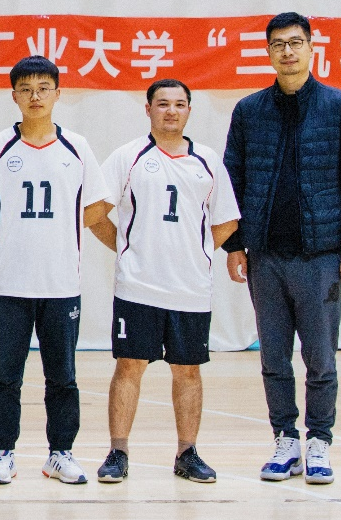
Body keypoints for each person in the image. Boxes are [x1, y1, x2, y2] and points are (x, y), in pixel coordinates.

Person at [223, 12, 341, 485]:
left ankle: (319, 441)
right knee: (273, 357)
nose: (287, 51)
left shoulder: (339, 106)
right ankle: (285, 439)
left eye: (295, 42)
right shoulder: (249, 111)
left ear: (311, 47)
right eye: (278, 44)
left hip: (320, 255)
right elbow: (231, 182)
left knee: (320, 357)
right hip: (265, 255)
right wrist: (234, 244)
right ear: (268, 52)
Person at [0, 55, 111, 485]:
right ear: (13, 95)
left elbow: (98, 206)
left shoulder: (77, 147)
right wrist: (18, 230)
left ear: (57, 94)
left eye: (43, 88)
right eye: (26, 89)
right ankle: (3, 453)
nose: (35, 96)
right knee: (4, 377)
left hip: (61, 282)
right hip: (9, 283)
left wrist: (59, 228)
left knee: (62, 377)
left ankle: (60, 454)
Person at [90, 79, 240, 484]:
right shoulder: (128, 156)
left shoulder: (207, 160)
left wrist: (195, 252)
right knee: (129, 366)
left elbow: (227, 220)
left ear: (189, 110)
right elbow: (94, 213)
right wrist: (127, 248)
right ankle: (118, 452)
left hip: (190, 290)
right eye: (162, 104)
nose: (171, 111)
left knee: (188, 370)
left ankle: (187, 453)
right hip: (138, 287)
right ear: (148, 109)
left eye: (179, 104)